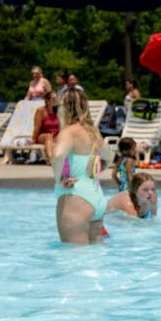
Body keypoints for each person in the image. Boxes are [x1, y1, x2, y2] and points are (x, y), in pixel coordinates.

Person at [50, 87, 106, 245]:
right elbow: (109, 158)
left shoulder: (69, 132)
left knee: (73, 261)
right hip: (96, 198)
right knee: (95, 258)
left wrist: (59, 179)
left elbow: (57, 156)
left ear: (65, 108)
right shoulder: (94, 133)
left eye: (57, 107)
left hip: (76, 198)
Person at [33, 92, 62, 165]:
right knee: (48, 136)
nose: (56, 100)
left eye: (57, 99)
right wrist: (33, 140)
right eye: (54, 99)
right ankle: (50, 159)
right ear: (47, 100)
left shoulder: (58, 111)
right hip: (42, 136)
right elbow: (37, 127)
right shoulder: (41, 110)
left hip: (55, 136)